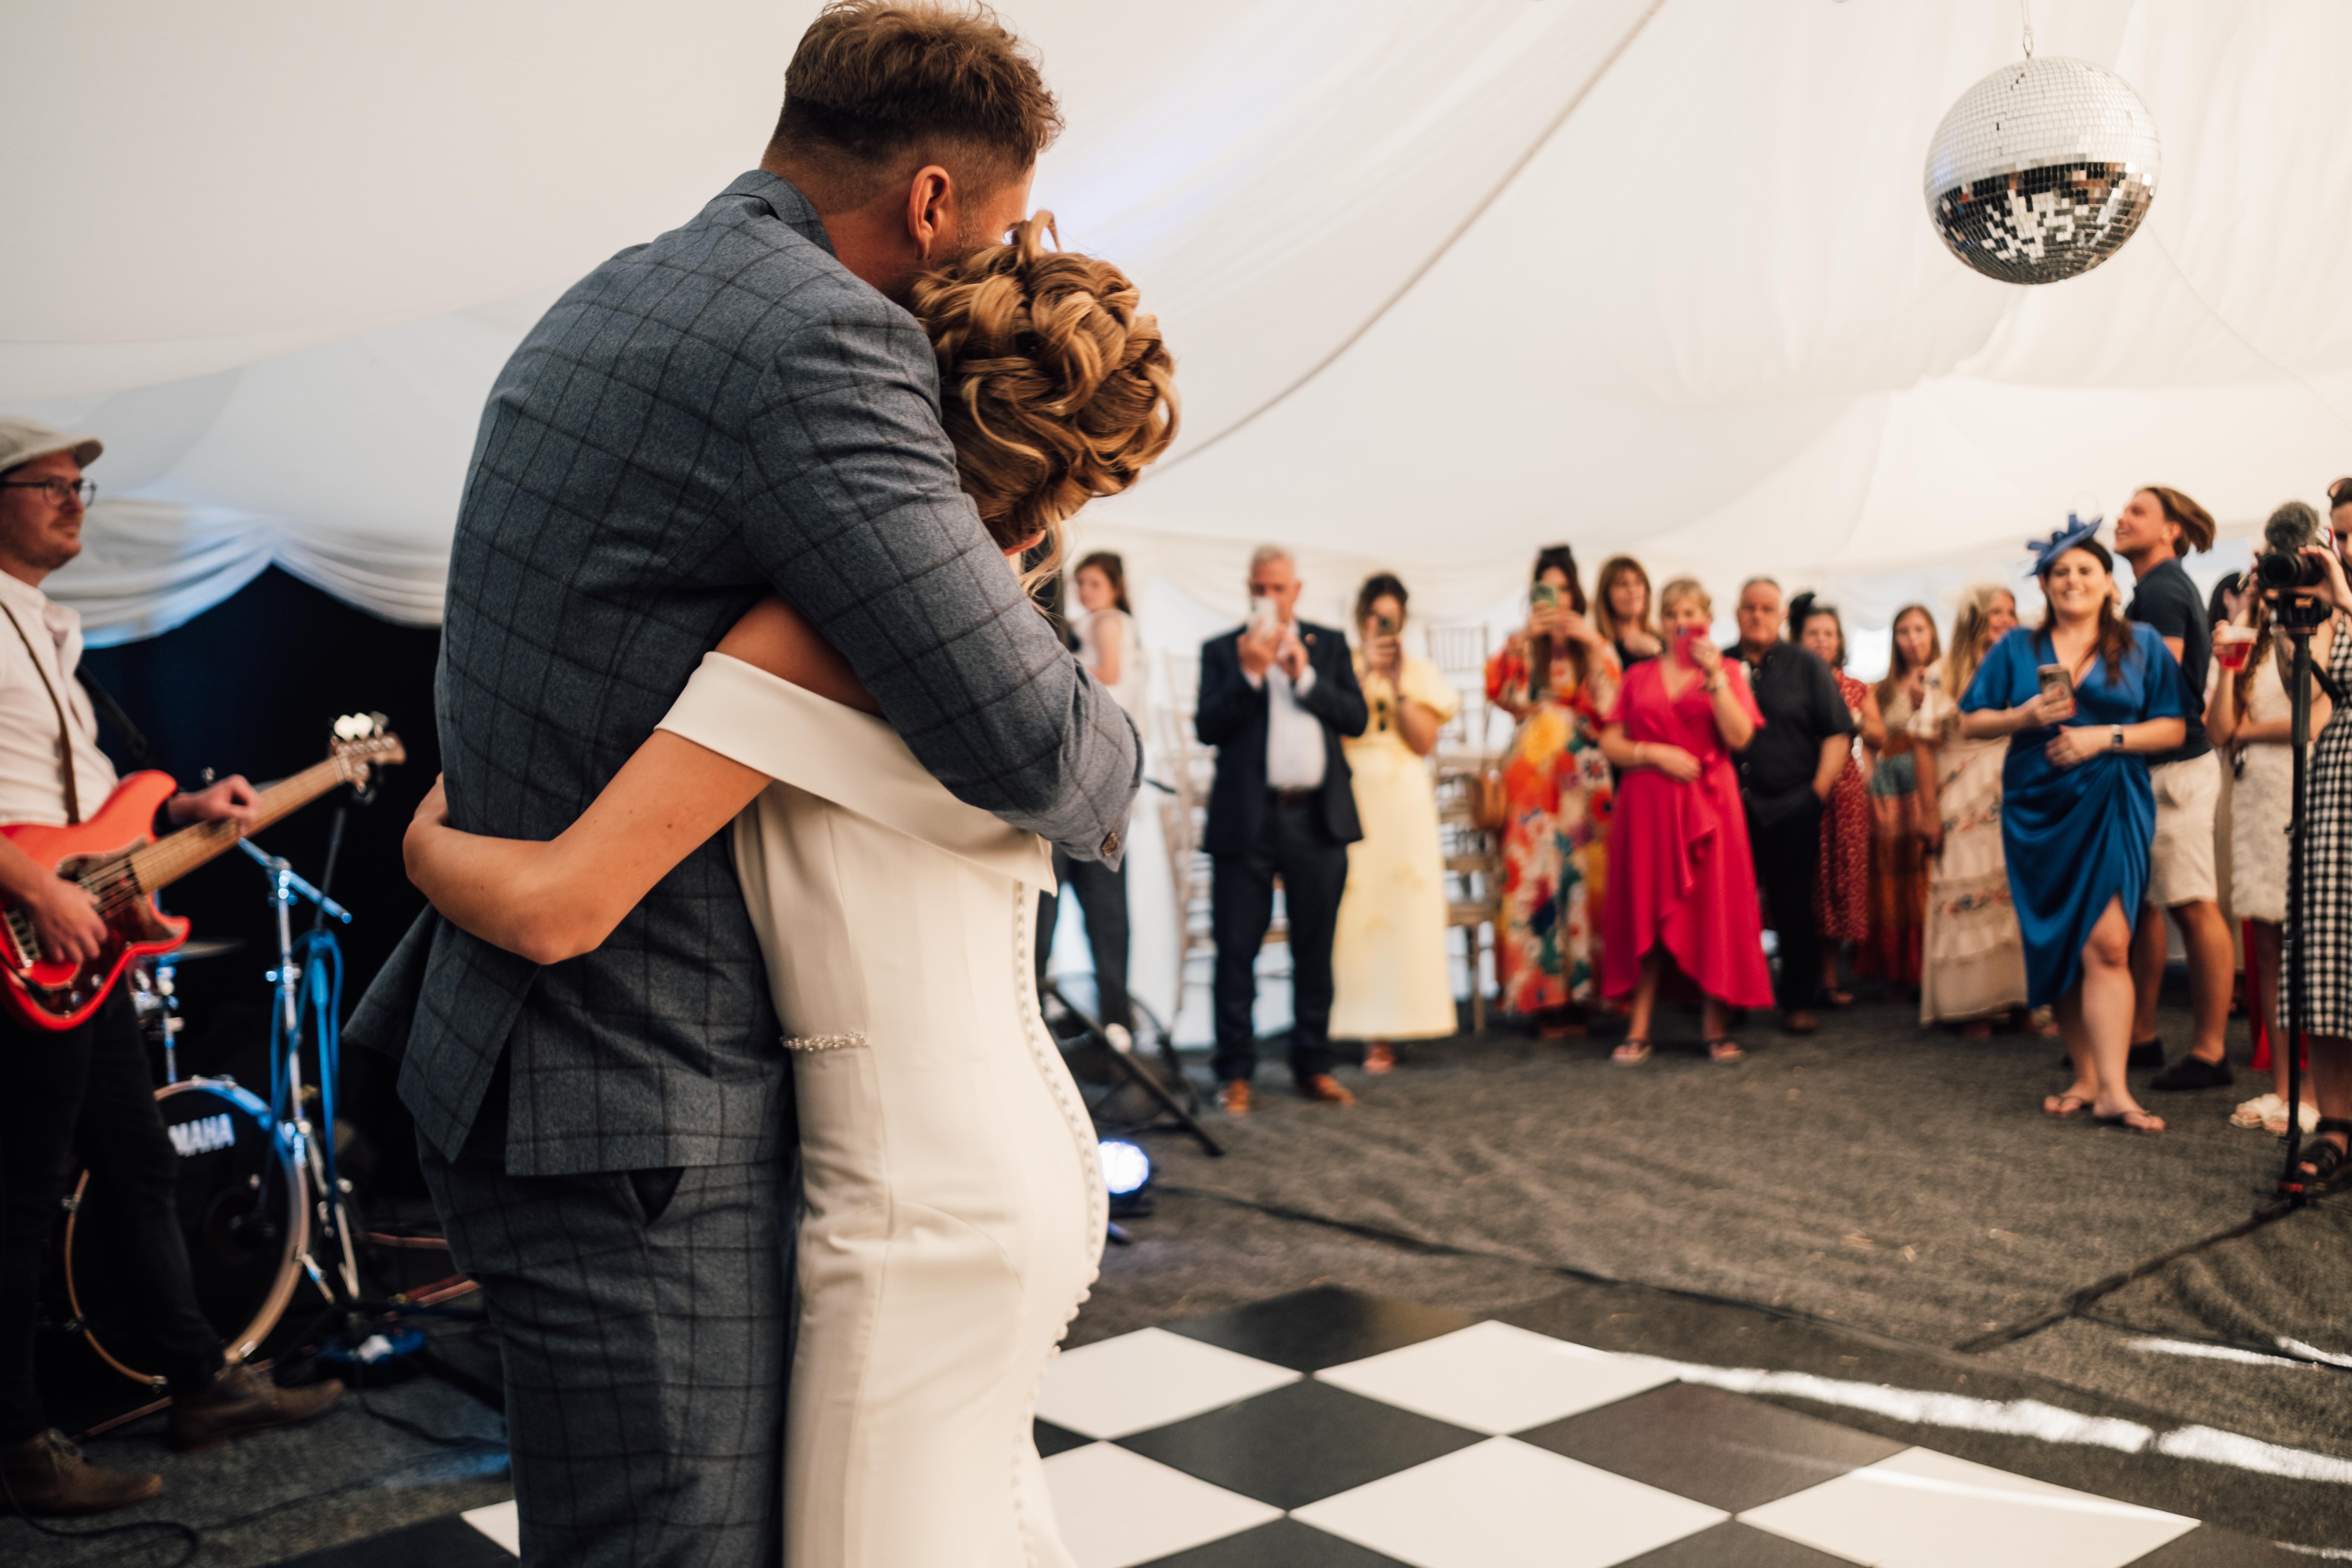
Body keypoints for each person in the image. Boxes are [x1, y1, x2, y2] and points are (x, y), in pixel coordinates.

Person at [347, 12, 1142, 1565]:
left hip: (583, 1073)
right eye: (993, 231)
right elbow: (1059, 760)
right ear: (930, 206)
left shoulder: (620, 293)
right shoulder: (822, 343)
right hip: (640, 1099)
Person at [0, 418, 340, 1515]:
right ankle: (18, 1444)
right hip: (21, 937)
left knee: (140, 1164)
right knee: (20, 1193)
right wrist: (37, 888)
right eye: (50, 484)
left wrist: (174, 819)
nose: (74, 502)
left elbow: (91, 806)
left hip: (80, 949)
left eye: (80, 489)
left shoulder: (52, 632)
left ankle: (201, 1382)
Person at [1960, 522, 2186, 1133]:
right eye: (2060, 572)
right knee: (2059, 936)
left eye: (2085, 570)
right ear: (2045, 585)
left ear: (2108, 582)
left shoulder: (2141, 643)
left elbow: (2174, 728)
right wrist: (2023, 714)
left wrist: (2103, 737)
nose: (2072, 580)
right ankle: (2085, 1075)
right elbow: (1969, 721)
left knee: (2111, 940)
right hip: (2038, 806)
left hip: (2113, 797)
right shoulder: (2017, 648)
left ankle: (2115, 1089)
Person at [1197, 547, 1369, 1112]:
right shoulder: (1223, 651)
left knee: (1315, 948)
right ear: (1250, 591)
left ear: (1297, 591)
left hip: (1317, 817)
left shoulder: (1329, 644)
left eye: (1279, 588)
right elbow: (1208, 727)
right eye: (1261, 589)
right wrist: (1250, 672)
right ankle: (1235, 1073)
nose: (1270, 598)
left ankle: (1313, 1065)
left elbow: (1357, 717)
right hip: (1248, 819)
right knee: (1236, 949)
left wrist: (1306, 676)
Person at [1598, 576, 1772, 1061]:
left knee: (1713, 908)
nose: (1681, 622)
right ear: (1662, 620)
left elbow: (1740, 738)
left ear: (1708, 620)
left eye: (1690, 613)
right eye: (1673, 614)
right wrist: (1654, 753)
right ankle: (1638, 1025)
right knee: (1650, 909)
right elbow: (1609, 741)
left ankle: (1714, 1024)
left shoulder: (1730, 670)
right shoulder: (1637, 677)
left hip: (1711, 807)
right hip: (1648, 806)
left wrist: (1716, 678)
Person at [2113, 486, 2233, 1088]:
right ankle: (2141, 1035)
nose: (2121, 519)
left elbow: (2147, 685)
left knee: (2192, 904)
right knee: (2151, 903)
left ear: (2170, 532)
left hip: (2177, 770)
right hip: (2160, 768)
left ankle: (2211, 1052)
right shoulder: (2156, 588)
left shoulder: (2161, 590)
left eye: (2137, 512)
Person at [2205, 557, 2329, 1134]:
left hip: (2308, 790)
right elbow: (2216, 727)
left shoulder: (2323, 624)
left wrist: (2246, 731)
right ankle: (2283, 1089)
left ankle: (2321, 1091)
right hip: (2254, 801)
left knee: (2315, 952)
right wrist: (2238, 632)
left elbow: (2313, 720)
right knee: (2268, 949)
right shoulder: (2247, 640)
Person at [1484, 546, 1621, 1036]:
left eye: (1564, 588)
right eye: (1547, 589)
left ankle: (1586, 996)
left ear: (1576, 592)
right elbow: (1503, 694)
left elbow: (1611, 704)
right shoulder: (1523, 645)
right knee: (1534, 879)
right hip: (1531, 777)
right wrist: (1526, 639)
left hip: (1583, 772)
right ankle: (1541, 997)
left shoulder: (1594, 641)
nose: (1557, 598)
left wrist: (1591, 644)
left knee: (1583, 878)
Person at [1331, 573, 1461, 1071]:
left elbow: (1424, 743)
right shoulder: (1344, 669)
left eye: (1391, 619)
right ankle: (1366, 1029)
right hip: (1357, 790)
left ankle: (1411, 1017)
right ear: (1362, 617)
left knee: (1408, 905)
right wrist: (1364, 680)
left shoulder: (1419, 672)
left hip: (1405, 795)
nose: (1383, 626)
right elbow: (1339, 732)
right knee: (1359, 908)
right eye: (1375, 617)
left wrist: (1402, 685)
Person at [1728, 577, 1856, 1033]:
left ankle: (1798, 1001)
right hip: (1732, 808)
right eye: (1749, 608)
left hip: (1793, 803)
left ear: (1781, 614)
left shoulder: (1805, 665)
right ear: (1737, 613)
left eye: (1766, 608)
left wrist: (1816, 794)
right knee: (1732, 905)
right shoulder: (1721, 663)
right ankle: (1730, 999)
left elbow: (1839, 730)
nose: (1757, 615)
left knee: (1793, 904)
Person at [2277, 477, 2352, 1193]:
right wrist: (2293, 624)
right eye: (2342, 536)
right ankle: (2336, 1123)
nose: (2348, 549)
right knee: (2330, 962)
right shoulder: (2333, 607)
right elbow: (2310, 715)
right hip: (2336, 790)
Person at [1916, 586, 2036, 1032]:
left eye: (2010, 611)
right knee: (1967, 895)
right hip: (1960, 793)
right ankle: (1972, 1003)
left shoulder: (2025, 665)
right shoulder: (1942, 673)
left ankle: (2023, 999)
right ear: (1973, 619)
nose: (2005, 619)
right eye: (1995, 612)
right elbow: (1924, 746)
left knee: (2016, 894)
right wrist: (1928, 811)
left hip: (2017, 790)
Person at [1037, 550, 1143, 1045]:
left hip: (1090, 784)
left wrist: (1056, 667)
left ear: (1116, 588)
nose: (1085, 591)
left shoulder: (1107, 621)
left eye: (1095, 583)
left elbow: (1112, 673)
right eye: (1080, 583)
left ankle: (1088, 1018)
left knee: (1070, 911)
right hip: (1104, 787)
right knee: (1102, 916)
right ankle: (1115, 1021)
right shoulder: (1095, 621)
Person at [1791, 594, 1874, 1007]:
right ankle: (1798, 979)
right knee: (1802, 883)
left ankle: (1828, 979)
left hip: (1844, 794)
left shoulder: (1857, 687)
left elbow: (1880, 734)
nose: (1822, 640)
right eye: (1814, 633)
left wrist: (1854, 721)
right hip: (1797, 789)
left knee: (1837, 883)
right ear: (1799, 638)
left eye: (1829, 633)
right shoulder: (1788, 681)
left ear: (1840, 640)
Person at [1863, 603, 1940, 995]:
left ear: (1933, 633)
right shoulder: (1880, 687)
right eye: (1904, 631)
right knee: (1896, 876)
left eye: (1919, 629)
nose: (1913, 639)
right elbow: (1873, 748)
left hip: (1932, 786)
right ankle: (1900, 966)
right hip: (1891, 794)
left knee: (1930, 874)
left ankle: (1934, 963)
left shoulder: (1948, 675)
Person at [1592, 554, 1664, 669]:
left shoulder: (1663, 641)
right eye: (1623, 584)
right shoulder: (1597, 646)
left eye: (1639, 582)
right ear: (1606, 595)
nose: (1632, 590)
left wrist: (1657, 652)